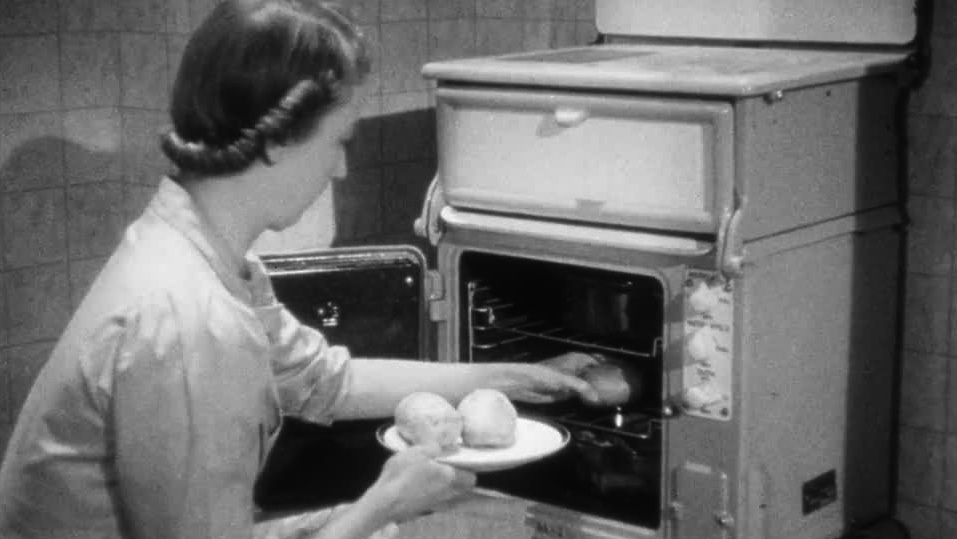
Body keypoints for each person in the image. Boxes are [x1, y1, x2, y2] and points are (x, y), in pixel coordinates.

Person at [0, 2, 603, 538]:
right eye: (338, 141)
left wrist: (514, 378)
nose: (341, 169)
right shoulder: (189, 319)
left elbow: (324, 381)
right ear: (277, 139)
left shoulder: (202, 252)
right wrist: (384, 503)